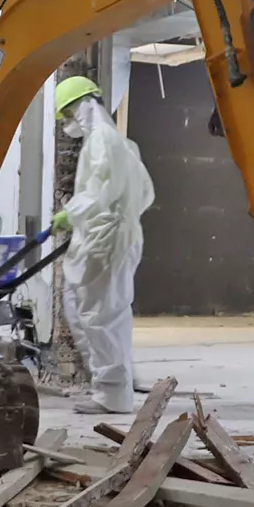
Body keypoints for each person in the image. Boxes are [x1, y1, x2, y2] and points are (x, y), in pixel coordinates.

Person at [51, 76, 155, 414]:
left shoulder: (103, 144)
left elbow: (99, 195)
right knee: (102, 313)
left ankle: (111, 394)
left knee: (97, 316)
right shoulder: (117, 142)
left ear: (79, 107)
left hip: (105, 240)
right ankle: (113, 390)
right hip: (113, 237)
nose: (67, 124)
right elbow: (142, 192)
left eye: (66, 115)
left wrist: (71, 213)